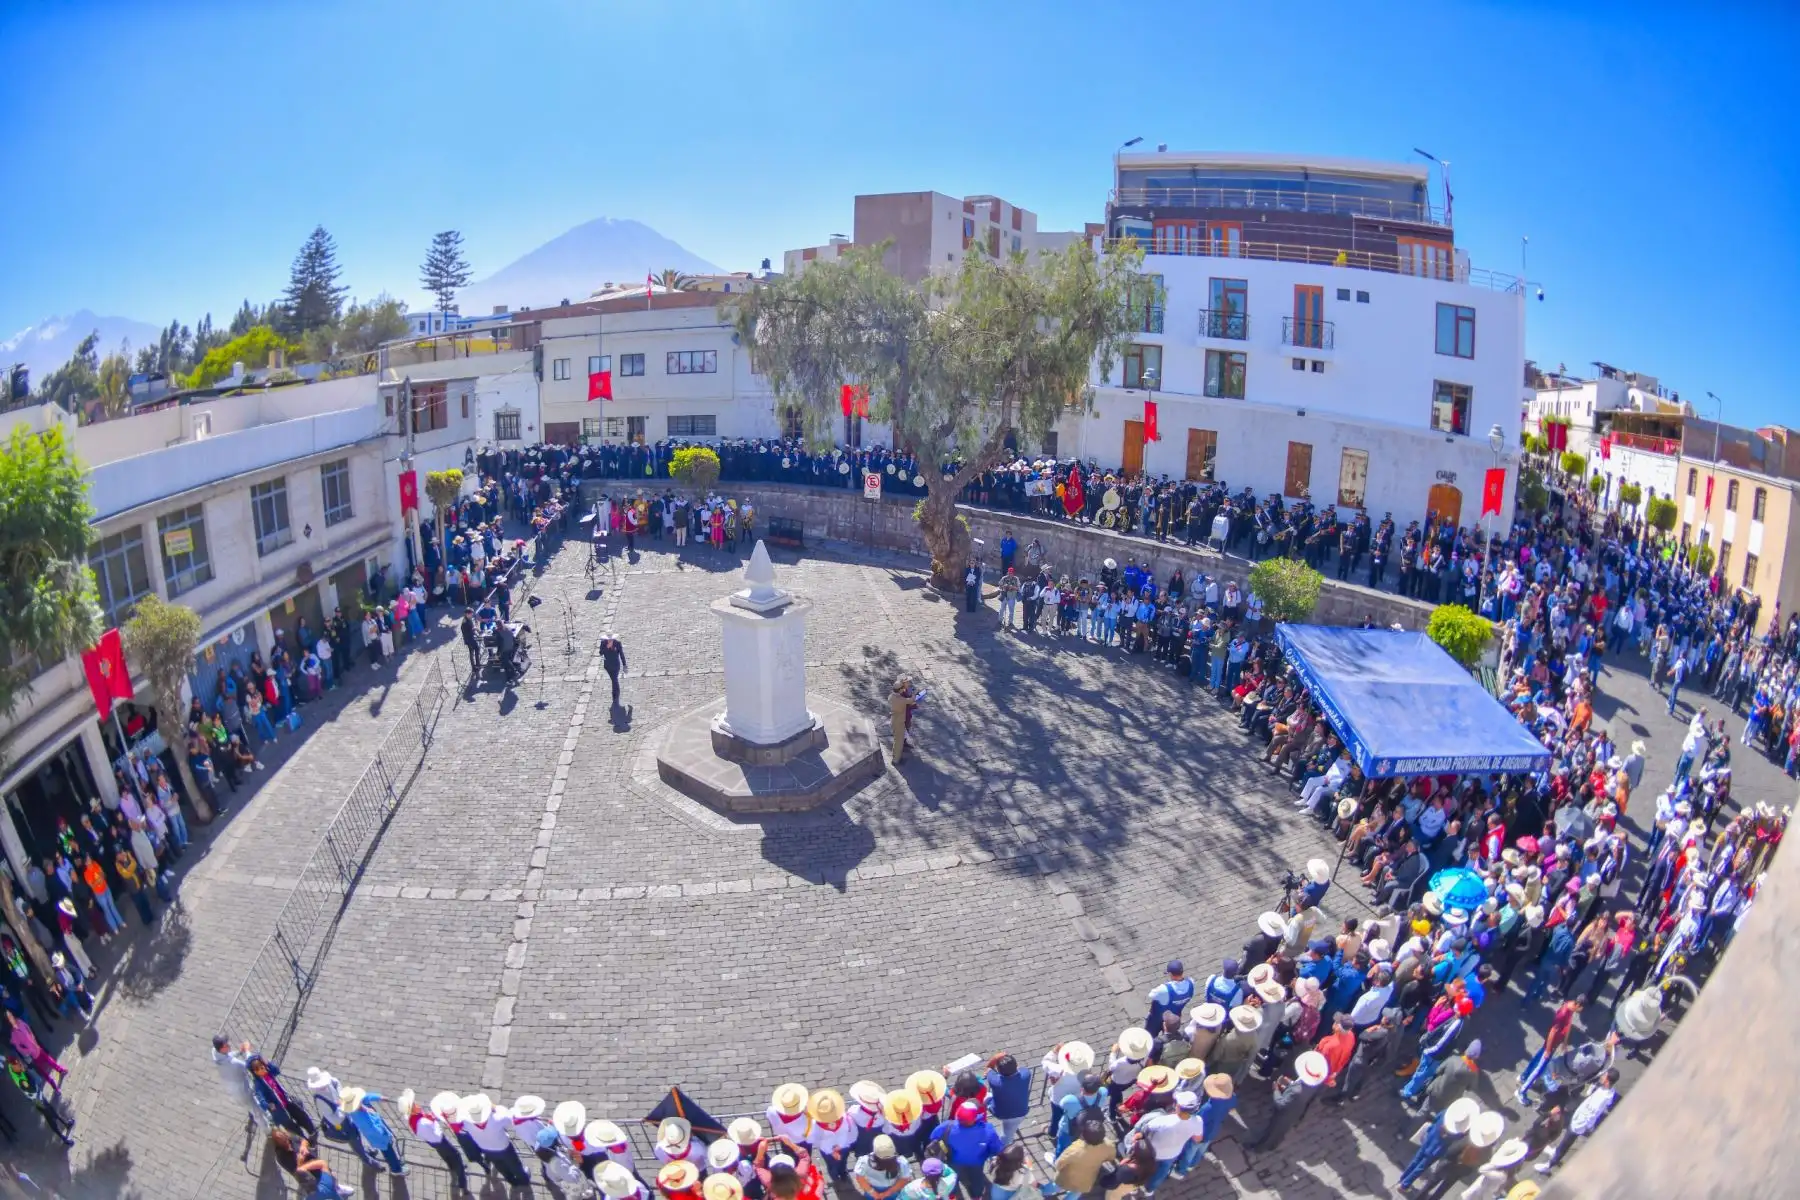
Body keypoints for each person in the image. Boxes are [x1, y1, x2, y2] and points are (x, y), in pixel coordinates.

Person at [1144, 960, 1197, 1033]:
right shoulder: (1191, 983)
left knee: (1150, 1035)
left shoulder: (1164, 989)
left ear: (1171, 974)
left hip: (1157, 1018)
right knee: (1169, 1036)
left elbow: (1151, 995)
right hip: (1174, 1019)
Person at [890, 677, 919, 764]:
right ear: (900, 690)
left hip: (896, 719)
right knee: (898, 741)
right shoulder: (901, 700)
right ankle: (895, 760)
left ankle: (896, 756)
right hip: (899, 722)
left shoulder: (892, 696)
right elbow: (911, 700)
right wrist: (914, 694)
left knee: (898, 740)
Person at [601, 635, 628, 706]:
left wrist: (624, 665)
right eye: (608, 639)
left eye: (611, 639)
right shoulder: (603, 643)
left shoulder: (617, 643)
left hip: (616, 665)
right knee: (614, 680)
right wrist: (607, 647)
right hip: (608, 666)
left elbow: (621, 654)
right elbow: (601, 652)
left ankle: (615, 696)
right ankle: (616, 695)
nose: (609, 641)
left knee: (614, 680)